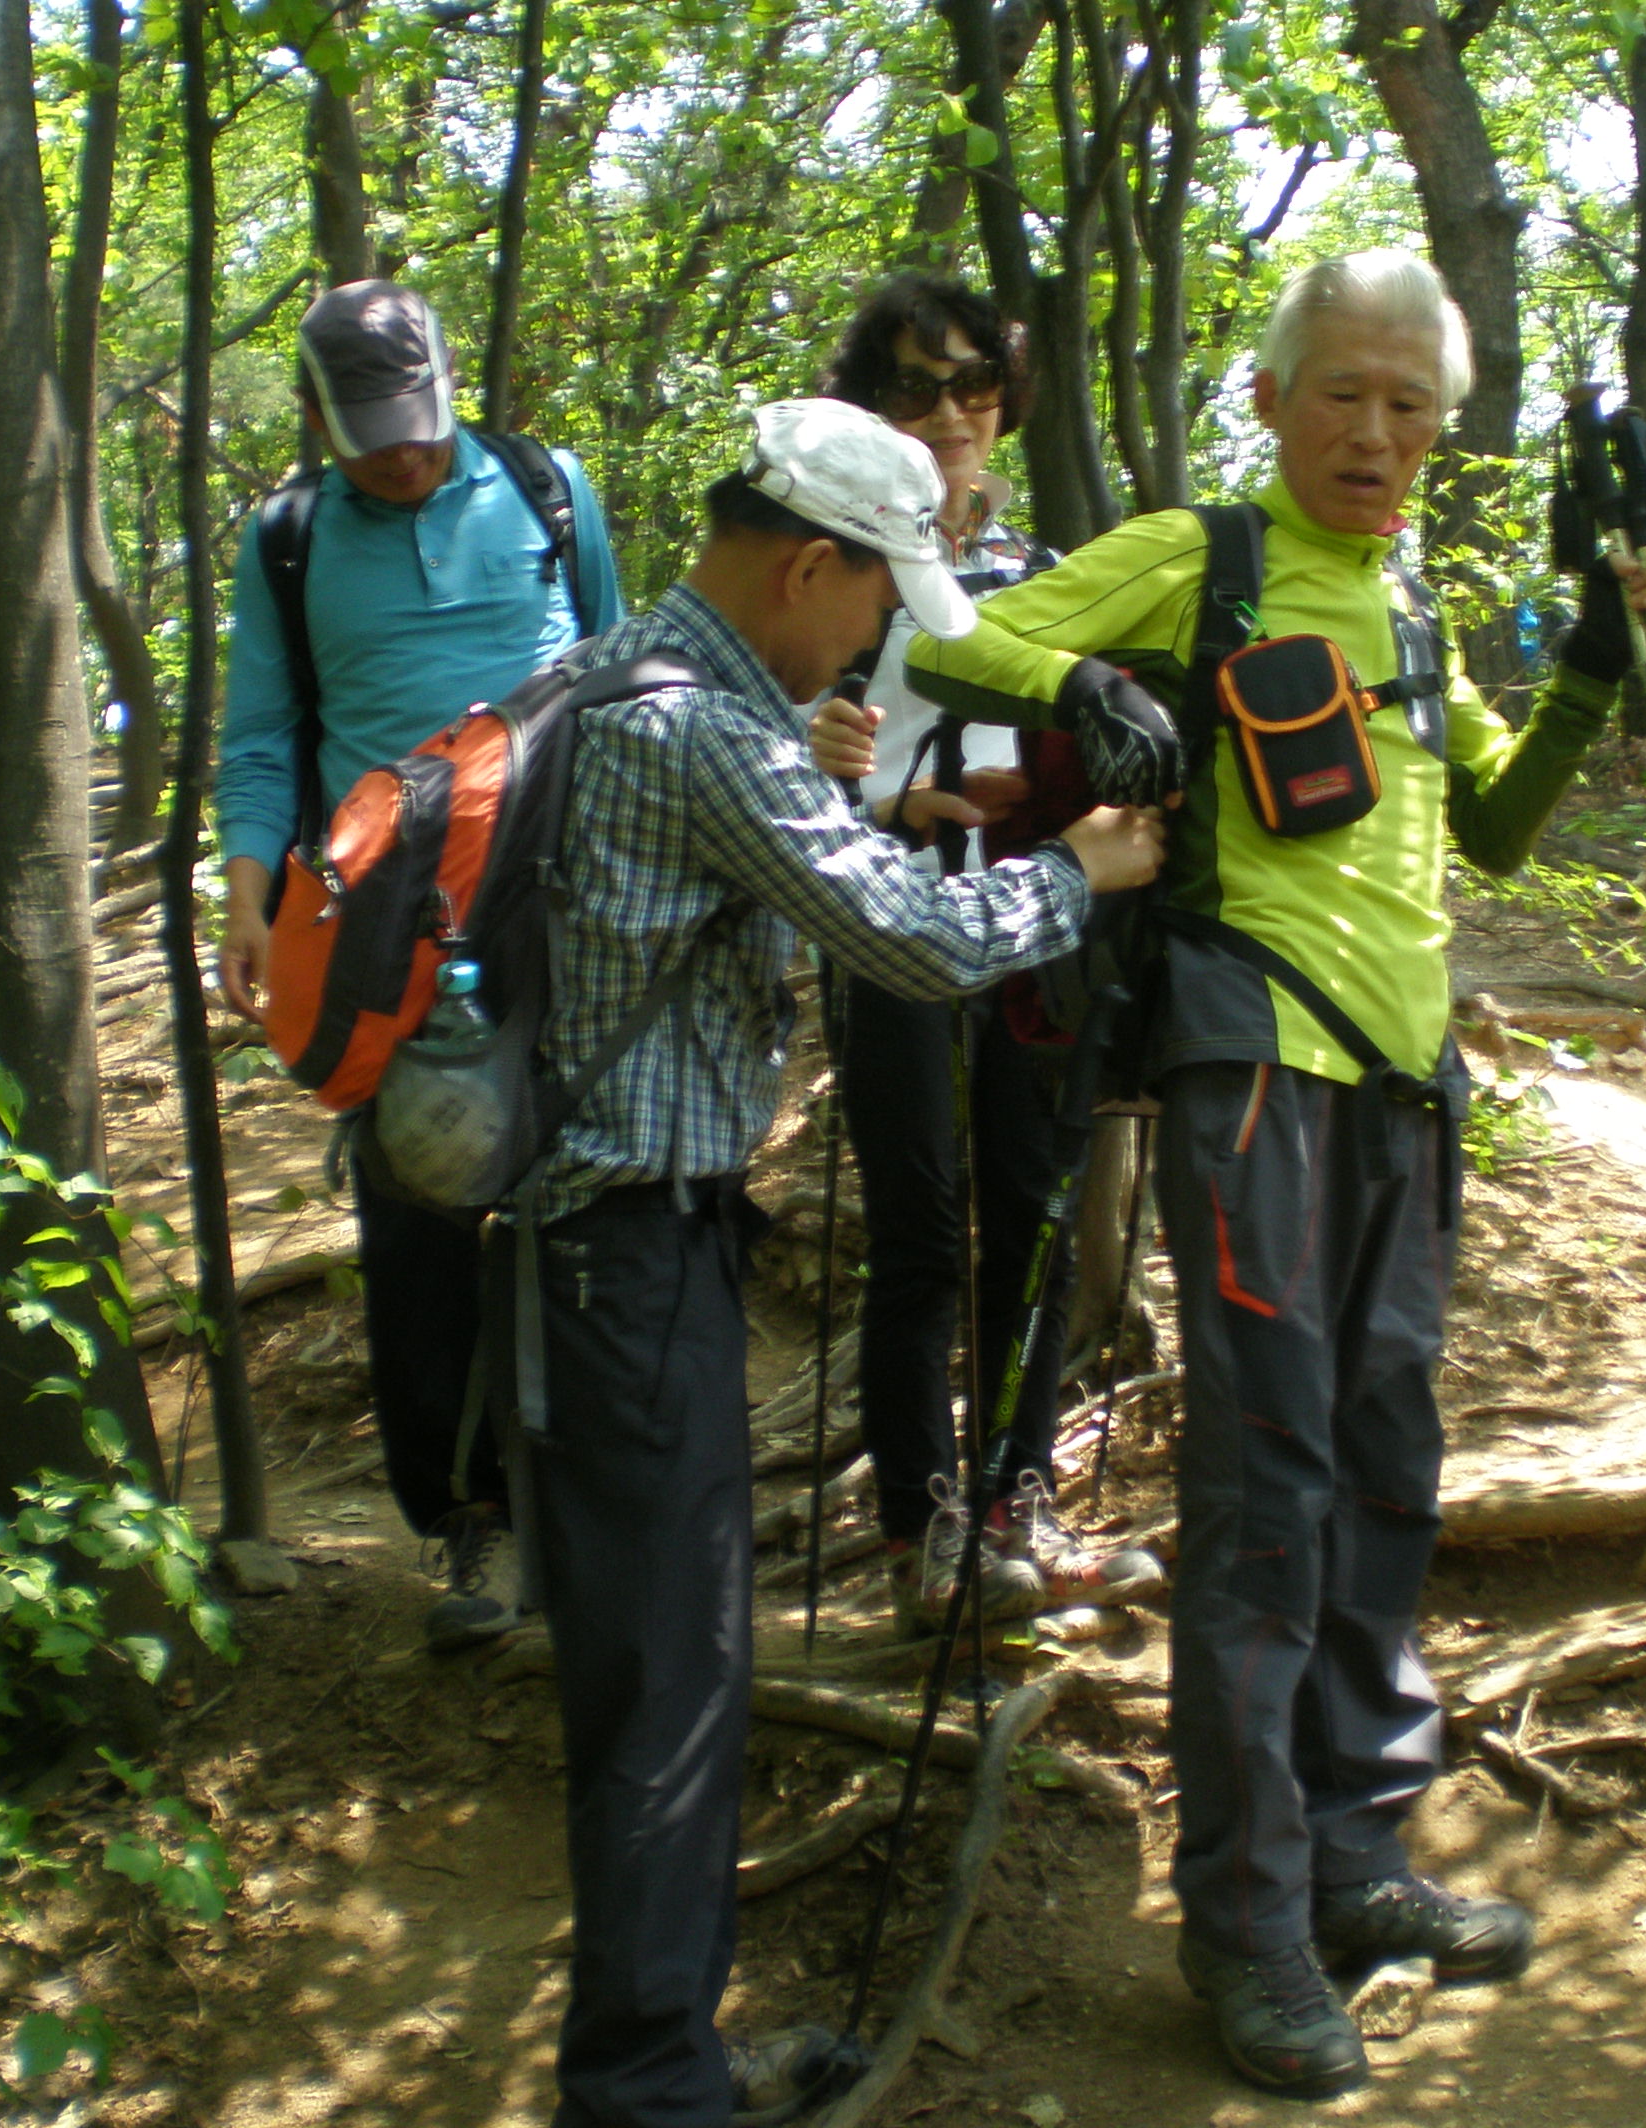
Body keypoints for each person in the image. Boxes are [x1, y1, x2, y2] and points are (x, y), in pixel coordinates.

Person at [907, 250, 1646, 2100]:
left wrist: (1591, 661)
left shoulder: (1409, 598)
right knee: (1269, 1482)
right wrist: (1102, 685)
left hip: (1406, 1083)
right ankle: (1245, 1917)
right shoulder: (1206, 555)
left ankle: (1353, 1857)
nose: (1378, 432)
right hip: (1250, 1062)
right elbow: (944, 639)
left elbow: (1495, 825)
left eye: (1412, 404)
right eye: (1344, 392)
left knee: (1384, 1470)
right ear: (1270, 401)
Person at [497, 398, 1162, 2128]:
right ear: (808, 566)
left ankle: (657, 2058)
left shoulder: (596, 673)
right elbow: (917, 934)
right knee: (671, 1687)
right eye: (875, 597)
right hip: (635, 1259)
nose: (877, 635)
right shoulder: (703, 730)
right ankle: (647, 2092)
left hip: (586, 1257)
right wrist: (1076, 872)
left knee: (652, 1675)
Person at [212, 278, 622, 1654]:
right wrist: (248, 900)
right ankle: (471, 1521)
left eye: (421, 423)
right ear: (318, 416)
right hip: (387, 919)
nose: (404, 455)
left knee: (594, 1188)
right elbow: (261, 739)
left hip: (565, 897)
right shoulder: (288, 542)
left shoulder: (548, 491)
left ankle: (597, 1504)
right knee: (424, 1205)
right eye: (372, 434)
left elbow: (624, 676)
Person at [798, 272, 1163, 1635]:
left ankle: (1021, 1504)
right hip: (886, 919)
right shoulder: (833, 567)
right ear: (868, 405)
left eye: (977, 385)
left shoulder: (1054, 573)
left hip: (1037, 923)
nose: (951, 412)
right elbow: (768, 768)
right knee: (918, 1227)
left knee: (1034, 1209)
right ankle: (924, 1529)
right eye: (916, 386)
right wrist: (872, 791)